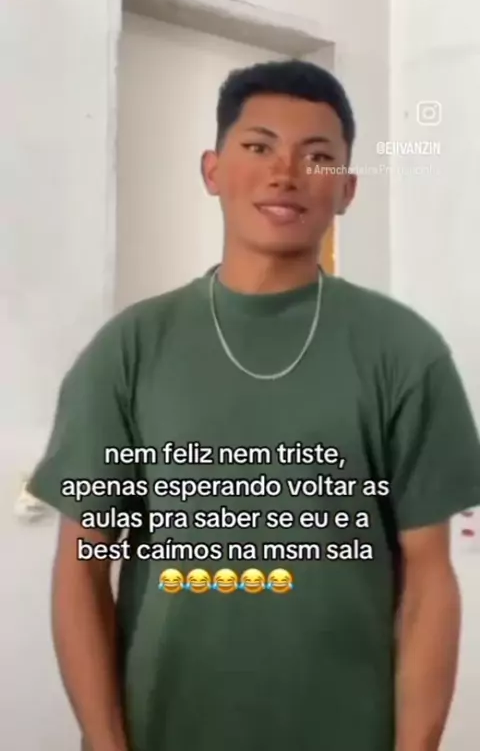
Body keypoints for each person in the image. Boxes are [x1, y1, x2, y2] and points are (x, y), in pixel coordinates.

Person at [28, 59, 480, 751]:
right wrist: (104, 739)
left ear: (347, 189)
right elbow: (82, 566)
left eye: (317, 156)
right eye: (259, 146)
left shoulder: (402, 351)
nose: (285, 173)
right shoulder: (132, 348)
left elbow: (428, 580)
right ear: (212, 170)